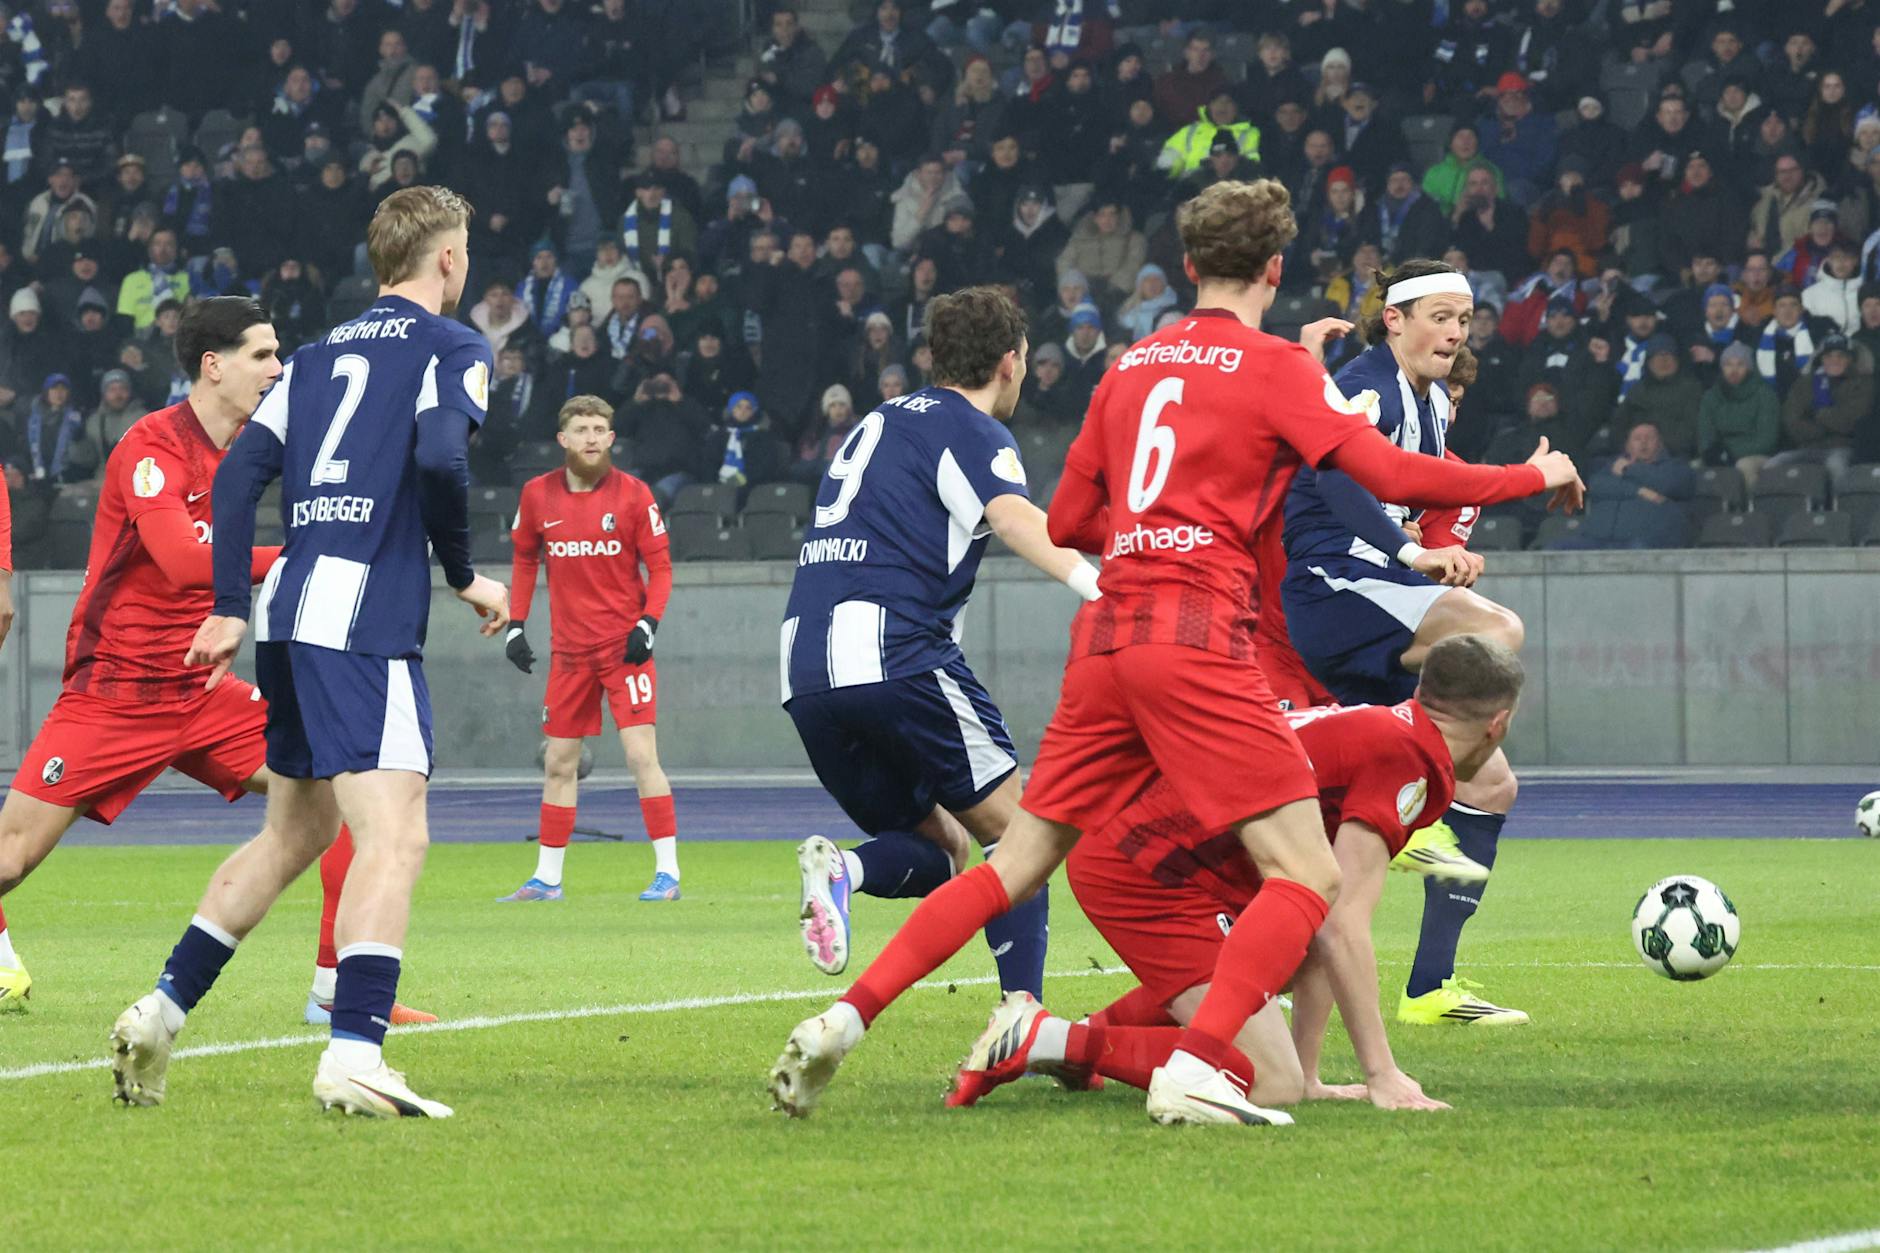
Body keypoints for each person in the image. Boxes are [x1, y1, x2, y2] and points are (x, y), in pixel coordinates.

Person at [767, 180, 1582, 1125]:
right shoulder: (1276, 368)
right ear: (1275, 270)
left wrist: (1150, 521)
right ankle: (1196, 1065)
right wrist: (1535, 472)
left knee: (1013, 861)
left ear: (1188, 267)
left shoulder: (1128, 367)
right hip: (1198, 635)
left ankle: (844, 1016)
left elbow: (1070, 521)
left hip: (1108, 633)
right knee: (1309, 875)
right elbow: (1391, 474)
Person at [109, 187, 509, 1119]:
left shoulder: (317, 356)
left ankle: (159, 1011)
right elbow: (444, 460)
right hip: (363, 617)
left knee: (296, 832)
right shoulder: (454, 346)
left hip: (289, 606)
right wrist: (460, 571)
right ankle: (356, 1051)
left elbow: (243, 474)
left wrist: (226, 605)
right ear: (446, 259)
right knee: (395, 831)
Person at [0, 299, 426, 1029]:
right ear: (213, 365)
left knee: (342, 791)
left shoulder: (259, 445)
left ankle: (332, 984)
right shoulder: (151, 446)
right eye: (262, 354)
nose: (277, 367)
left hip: (204, 689)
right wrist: (303, 556)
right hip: (116, 692)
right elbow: (182, 560)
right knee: (10, 859)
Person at [947, 635, 1522, 1113]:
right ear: (1498, 724)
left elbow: (1322, 915)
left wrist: (1314, 1074)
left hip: (1145, 848)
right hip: (1149, 868)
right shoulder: (1408, 758)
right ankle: (1048, 1037)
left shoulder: (1385, 727)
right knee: (1270, 1082)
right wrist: (1383, 1075)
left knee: (1291, 975)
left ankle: (1077, 1040)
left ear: (1423, 690)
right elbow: (1343, 926)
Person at [777, 286, 1099, 1004]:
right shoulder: (975, 429)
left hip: (805, 667)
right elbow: (1015, 520)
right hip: (892, 650)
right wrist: (1102, 587)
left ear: (933, 355)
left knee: (946, 848)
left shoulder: (882, 419)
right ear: (1011, 363)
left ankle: (846, 872)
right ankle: (1023, 1017)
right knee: (1022, 840)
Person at [1280, 259, 1535, 1027]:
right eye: (1440, 316)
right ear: (1393, 318)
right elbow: (1334, 479)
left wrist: (1448, 539)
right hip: (1337, 589)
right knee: (1497, 631)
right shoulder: (1368, 383)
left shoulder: (1425, 402)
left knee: (1492, 787)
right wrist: (1411, 552)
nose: (1455, 332)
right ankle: (1421, 808)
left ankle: (1428, 987)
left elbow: (1425, 486)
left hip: (1374, 599)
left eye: (1464, 318)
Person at [501, 395, 678, 903]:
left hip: (625, 650)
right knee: (559, 762)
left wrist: (649, 623)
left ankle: (668, 874)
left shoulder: (634, 495)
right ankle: (547, 879)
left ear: (612, 437)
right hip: (569, 653)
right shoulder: (537, 495)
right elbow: (524, 561)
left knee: (641, 755)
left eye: (601, 428)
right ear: (563, 439)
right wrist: (516, 625)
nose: (592, 437)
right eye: (582, 429)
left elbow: (661, 569)